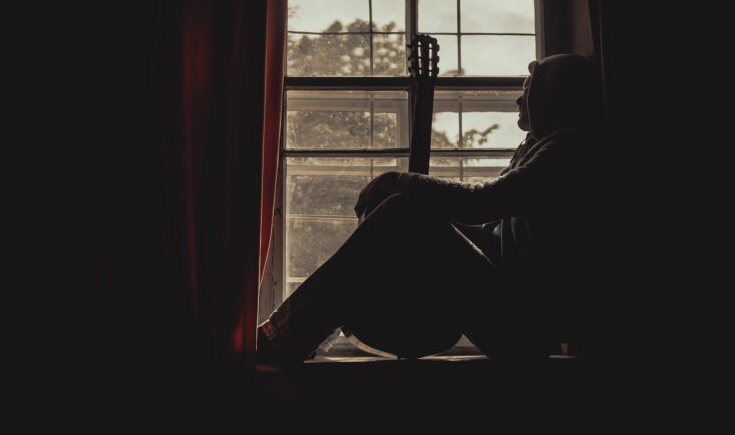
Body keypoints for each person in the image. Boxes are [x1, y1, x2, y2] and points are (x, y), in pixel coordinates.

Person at [257, 53, 607, 367]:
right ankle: (300, 331)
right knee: (403, 210)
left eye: (529, 89)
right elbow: (488, 230)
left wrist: (403, 183)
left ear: (553, 95)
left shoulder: (568, 149)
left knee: (401, 211)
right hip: (518, 319)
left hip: (525, 330)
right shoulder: (544, 147)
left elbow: (481, 203)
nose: (519, 99)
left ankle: (285, 335)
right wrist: (418, 205)